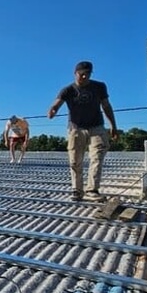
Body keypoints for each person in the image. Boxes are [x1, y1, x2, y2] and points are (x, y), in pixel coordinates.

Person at [47, 60, 119, 202]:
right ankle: (77, 190)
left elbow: (106, 106)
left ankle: (92, 190)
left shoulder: (99, 87)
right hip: (76, 128)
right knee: (75, 161)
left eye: (88, 74)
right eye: (82, 74)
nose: (85, 77)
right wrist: (52, 110)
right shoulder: (68, 90)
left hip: (96, 127)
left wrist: (113, 126)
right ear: (75, 74)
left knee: (97, 157)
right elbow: (57, 103)